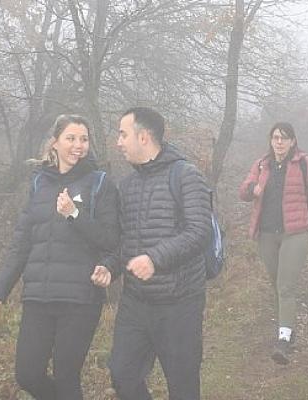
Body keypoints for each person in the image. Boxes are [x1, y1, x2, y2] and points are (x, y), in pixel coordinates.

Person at [0, 114, 120, 400]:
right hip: (38, 296)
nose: (78, 145)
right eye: (71, 138)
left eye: (84, 139)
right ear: (55, 142)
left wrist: (74, 214)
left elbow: (111, 239)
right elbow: (21, 243)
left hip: (80, 298)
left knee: (66, 375)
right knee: (28, 374)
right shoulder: (39, 184)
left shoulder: (99, 183)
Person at [108, 107, 212, 400]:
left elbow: (199, 232)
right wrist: (109, 267)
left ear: (144, 137)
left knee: (182, 386)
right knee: (122, 373)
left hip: (179, 303)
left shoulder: (186, 175)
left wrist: (155, 258)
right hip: (136, 302)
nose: (118, 142)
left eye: (123, 134)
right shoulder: (126, 185)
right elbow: (124, 241)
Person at [238, 122, 308, 365]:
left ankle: (283, 339)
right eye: (275, 137)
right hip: (267, 233)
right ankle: (288, 327)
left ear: (293, 141)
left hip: (296, 232)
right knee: (276, 283)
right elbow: (243, 191)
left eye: (284, 138)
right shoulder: (262, 165)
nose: (279, 142)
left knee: (286, 286)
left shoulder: (304, 163)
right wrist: (253, 189)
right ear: (270, 141)